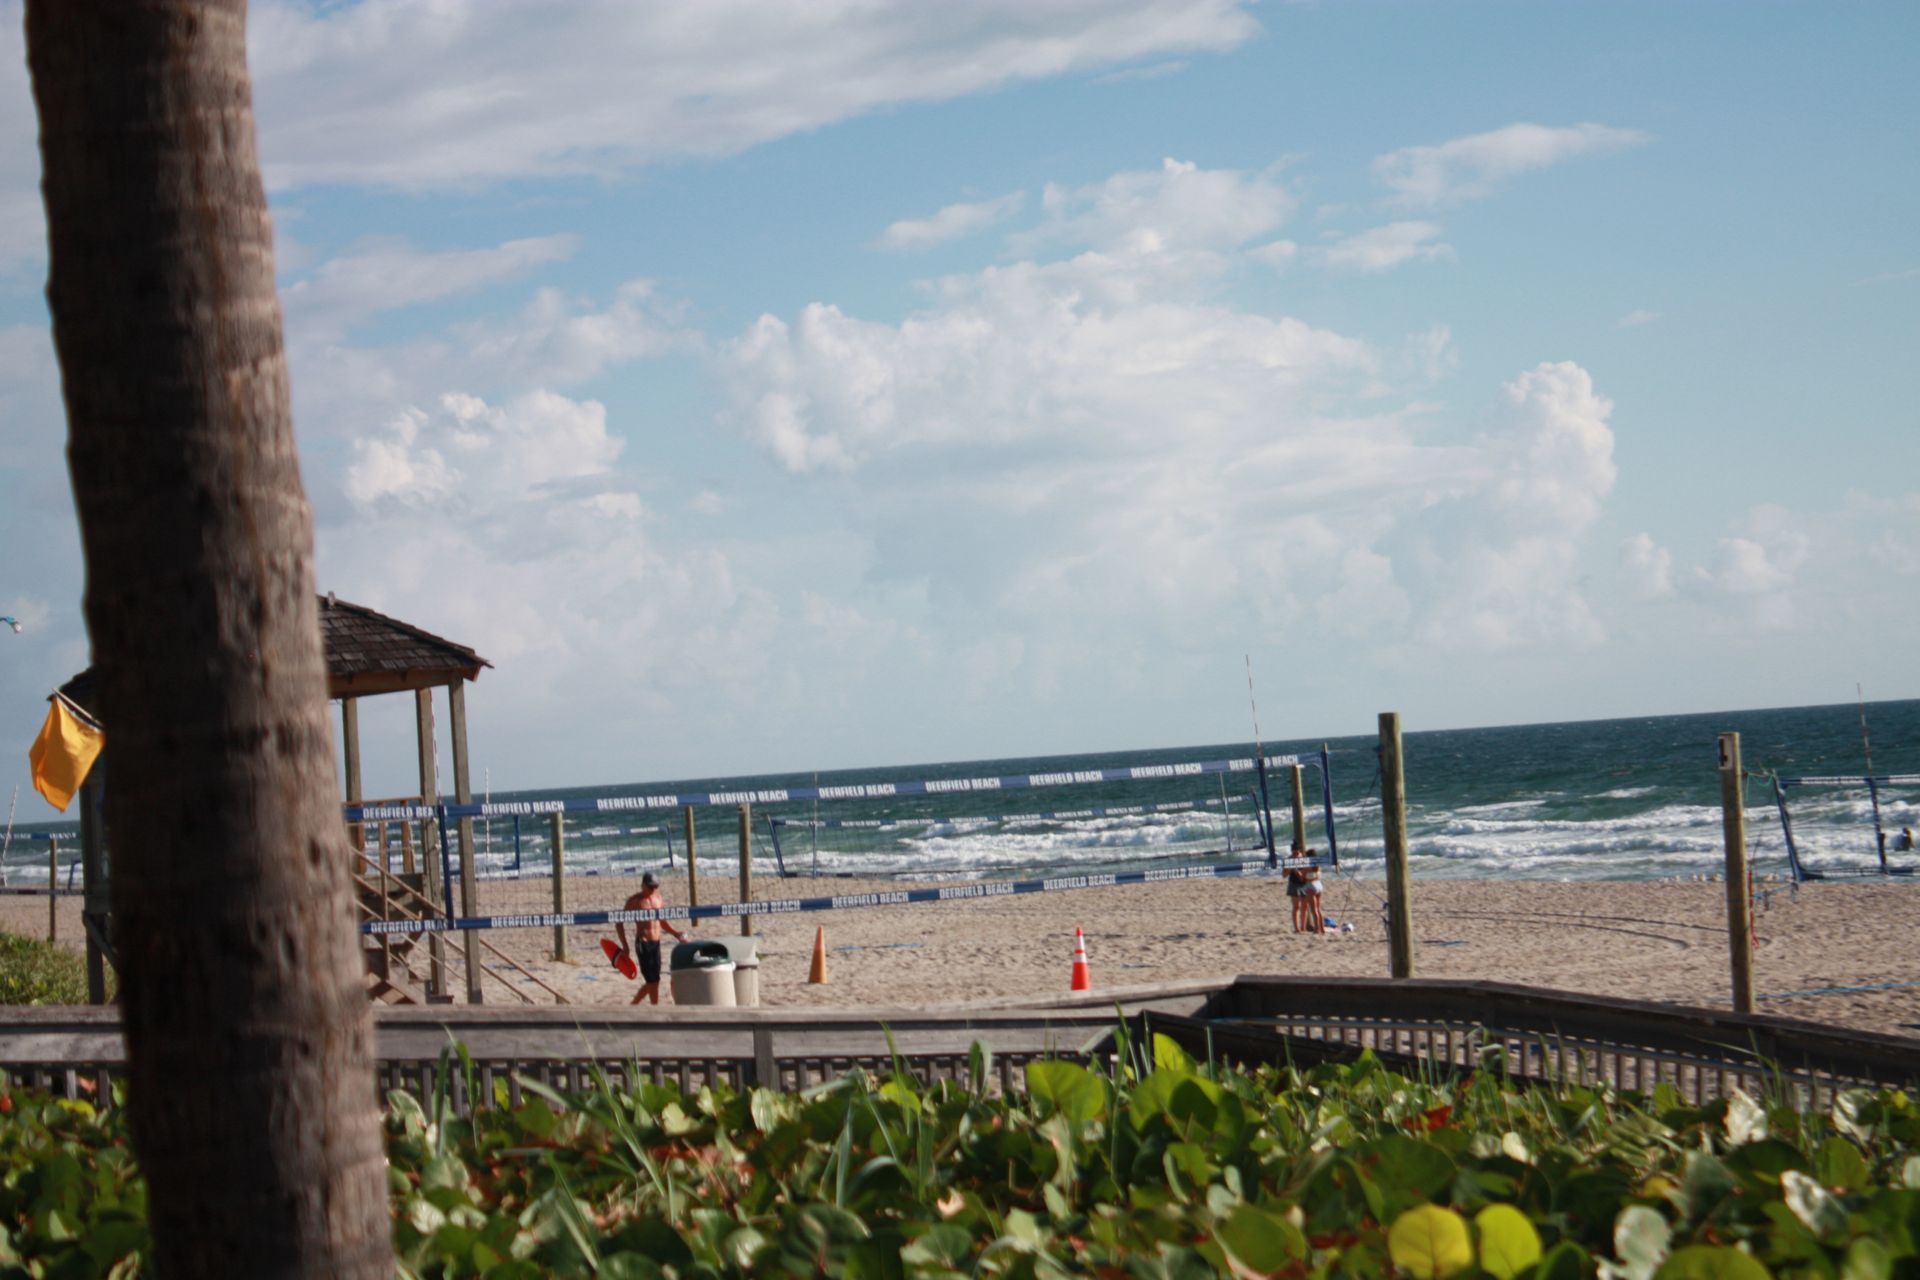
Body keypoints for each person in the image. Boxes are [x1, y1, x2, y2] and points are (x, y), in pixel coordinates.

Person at [615, 872, 688, 1006]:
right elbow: (619, 922)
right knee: (652, 980)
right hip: (643, 943)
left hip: (656, 943)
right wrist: (625, 945)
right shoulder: (635, 901)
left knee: (655, 980)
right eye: (650, 887)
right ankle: (654, 1008)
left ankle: (634, 1004)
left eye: (655, 887)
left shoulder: (658, 898)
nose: (653, 889)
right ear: (643, 885)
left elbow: (662, 921)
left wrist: (675, 933)